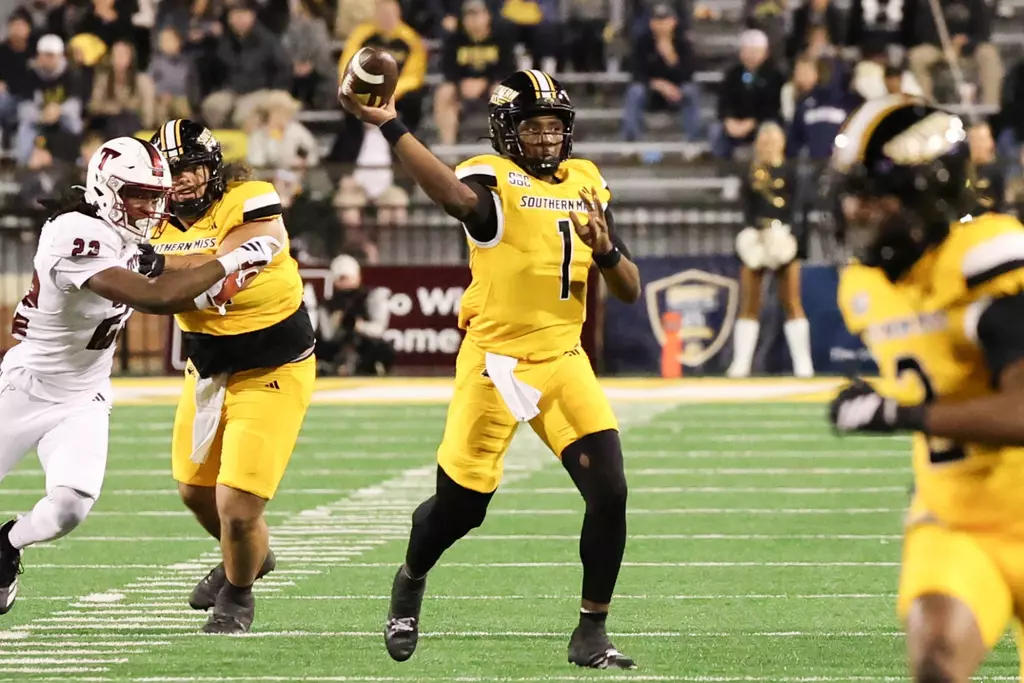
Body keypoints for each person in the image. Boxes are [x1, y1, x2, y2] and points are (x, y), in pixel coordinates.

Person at [339, 69, 642, 669]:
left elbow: (629, 289)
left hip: (562, 357)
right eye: (533, 127)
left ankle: (591, 630)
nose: (547, 138)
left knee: (610, 492)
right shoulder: (492, 177)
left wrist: (605, 249)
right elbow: (456, 198)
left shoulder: (586, 182)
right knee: (461, 509)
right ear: (507, 130)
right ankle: (411, 577)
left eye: (554, 126)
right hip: (495, 361)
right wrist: (391, 124)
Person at [0, 136, 279, 615]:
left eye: (155, 196)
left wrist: (224, 281)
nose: (150, 208)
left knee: (69, 506)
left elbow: (176, 281)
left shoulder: (128, 234)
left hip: (84, 394)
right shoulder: (73, 231)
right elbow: (155, 297)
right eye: (137, 195)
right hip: (27, 386)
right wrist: (232, 260)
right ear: (106, 189)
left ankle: (6, 545)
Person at [827, 95, 1024, 682]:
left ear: (925, 194)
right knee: (936, 657)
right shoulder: (863, 287)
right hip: (956, 515)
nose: (857, 210)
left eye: (873, 195)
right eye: (852, 194)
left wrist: (906, 414)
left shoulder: (987, 257)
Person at [149, 119, 316, 634]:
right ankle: (249, 555)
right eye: (169, 170)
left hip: (272, 365)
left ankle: (237, 595)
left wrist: (147, 261)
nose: (181, 179)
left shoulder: (250, 199)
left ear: (213, 168)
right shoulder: (147, 217)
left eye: (190, 167)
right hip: (207, 366)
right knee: (194, 493)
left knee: (238, 508)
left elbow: (218, 271)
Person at [727, 122, 813, 379]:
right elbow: (745, 210)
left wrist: (794, 239)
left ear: (782, 143)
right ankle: (741, 363)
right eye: (764, 141)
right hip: (756, 239)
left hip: (784, 238)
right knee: (749, 302)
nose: (768, 145)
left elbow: (799, 209)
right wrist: (748, 236)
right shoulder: (749, 172)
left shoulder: (793, 172)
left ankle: (803, 364)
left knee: (792, 301)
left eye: (773, 141)